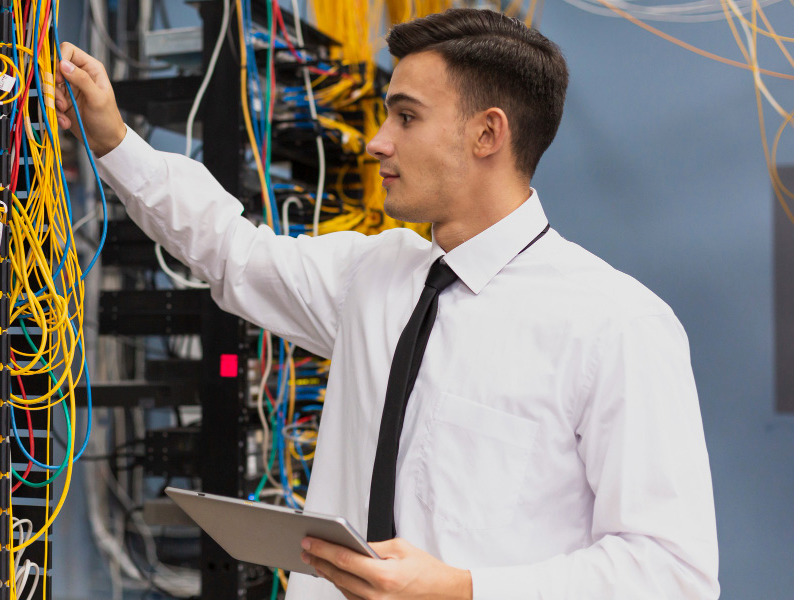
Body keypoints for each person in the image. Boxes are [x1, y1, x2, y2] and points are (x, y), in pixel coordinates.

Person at [54, 8, 719, 600]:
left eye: (405, 116)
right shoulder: (377, 274)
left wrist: (464, 590)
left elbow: (671, 573)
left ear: (488, 134)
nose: (377, 141)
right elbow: (232, 251)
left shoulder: (614, 324)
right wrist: (115, 141)